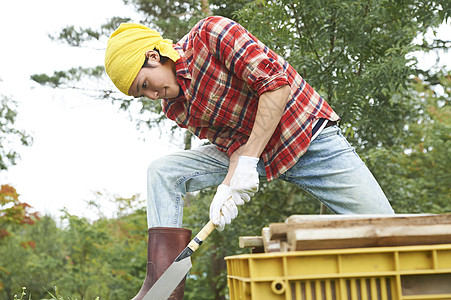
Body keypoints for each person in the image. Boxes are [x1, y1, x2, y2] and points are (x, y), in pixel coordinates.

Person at [104, 16, 394, 300]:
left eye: (144, 84)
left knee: (390, 232)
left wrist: (246, 163)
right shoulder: (175, 107)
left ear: (153, 56)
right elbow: (234, 145)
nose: (152, 95)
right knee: (162, 171)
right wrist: (228, 186)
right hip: (257, 157)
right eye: (141, 95)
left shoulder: (211, 34)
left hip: (307, 139)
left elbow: (277, 87)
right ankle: (162, 288)